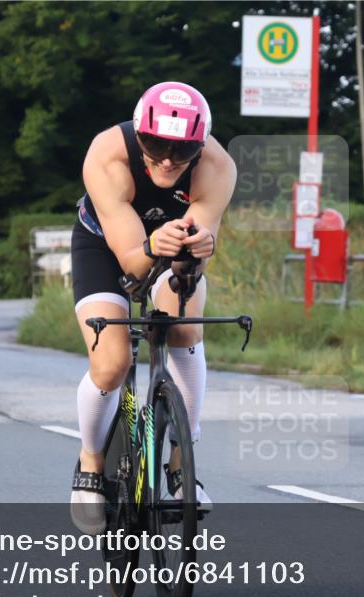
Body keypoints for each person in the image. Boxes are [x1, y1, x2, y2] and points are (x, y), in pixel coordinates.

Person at [69, 82, 236, 534]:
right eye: (155, 143)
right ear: (139, 133)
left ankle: (182, 464)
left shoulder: (217, 167)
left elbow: (187, 263)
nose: (166, 158)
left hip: (169, 249)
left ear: (200, 148)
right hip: (106, 247)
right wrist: (151, 244)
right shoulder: (108, 153)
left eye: (181, 150)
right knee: (112, 361)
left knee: (184, 328)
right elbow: (130, 261)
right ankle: (90, 460)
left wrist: (196, 249)